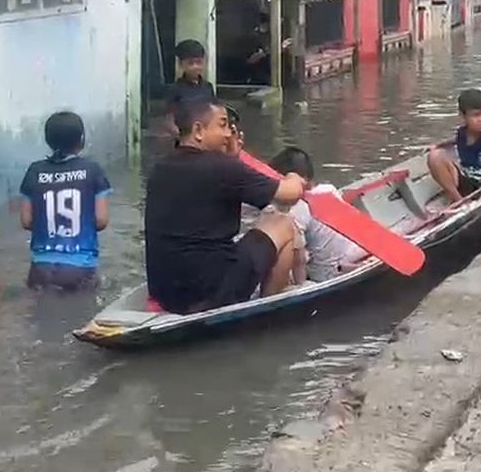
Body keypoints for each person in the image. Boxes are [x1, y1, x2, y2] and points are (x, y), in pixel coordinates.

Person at [144, 98, 307, 314]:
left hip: (165, 293)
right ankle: (268, 308)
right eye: (222, 125)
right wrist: (295, 178)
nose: (229, 134)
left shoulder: (159, 168)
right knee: (283, 224)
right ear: (198, 130)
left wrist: (231, 159)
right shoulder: (225, 169)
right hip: (209, 291)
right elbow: (288, 196)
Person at [19, 111, 110, 291]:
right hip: (81, 268)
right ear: (81, 139)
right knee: (84, 314)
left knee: (41, 314)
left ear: (48, 140)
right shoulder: (92, 169)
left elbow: (26, 221)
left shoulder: (35, 171)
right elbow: (101, 221)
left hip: (40, 268)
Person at [270, 147, 369, 282]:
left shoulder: (298, 210)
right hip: (345, 256)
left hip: (323, 275)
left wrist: (299, 284)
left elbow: (298, 259)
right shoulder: (329, 190)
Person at [164, 39, 216, 135]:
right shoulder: (175, 89)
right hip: (185, 138)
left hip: (206, 136)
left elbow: (214, 112)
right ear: (181, 64)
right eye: (190, 63)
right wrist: (179, 135)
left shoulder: (208, 87)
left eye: (199, 62)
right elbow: (169, 120)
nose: (195, 66)